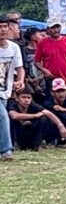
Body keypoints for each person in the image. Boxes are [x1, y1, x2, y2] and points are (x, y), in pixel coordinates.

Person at [35, 18, 66, 98]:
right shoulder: (42, 42)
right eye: (53, 28)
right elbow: (37, 61)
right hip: (52, 80)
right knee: (51, 103)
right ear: (48, 29)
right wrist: (44, 70)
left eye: (57, 27)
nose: (56, 30)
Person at [0, 17, 25, 160]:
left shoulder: (14, 47)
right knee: (3, 116)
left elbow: (19, 68)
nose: (2, 30)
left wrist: (20, 80)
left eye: (5, 26)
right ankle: (6, 150)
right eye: (0, 27)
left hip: (5, 90)